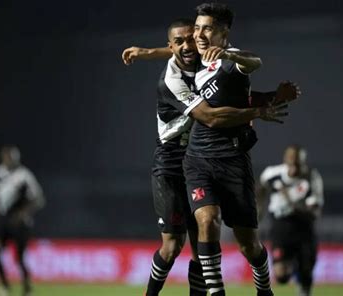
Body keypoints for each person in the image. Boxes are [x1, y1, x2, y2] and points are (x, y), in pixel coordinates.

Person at [122, 18, 296, 296]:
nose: (189, 45)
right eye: (179, 42)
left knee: (202, 241)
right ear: (172, 46)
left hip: (198, 155)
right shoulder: (172, 80)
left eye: (192, 38)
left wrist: (273, 96)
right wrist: (259, 112)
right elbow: (210, 116)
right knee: (172, 246)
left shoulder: (203, 61)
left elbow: (232, 96)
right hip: (171, 159)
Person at [180, 3, 287, 295]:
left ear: (224, 33)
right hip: (198, 159)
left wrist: (228, 54)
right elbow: (172, 51)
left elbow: (255, 62)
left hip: (233, 162)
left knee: (248, 245)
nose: (200, 34)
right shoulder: (189, 62)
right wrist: (144, 53)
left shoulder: (232, 60)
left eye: (208, 28)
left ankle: (264, 287)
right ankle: (217, 291)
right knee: (207, 219)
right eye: (197, 27)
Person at [259, 145, 324, 296]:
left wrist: (291, 202)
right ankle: (294, 265)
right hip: (280, 227)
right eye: (291, 162)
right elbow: (260, 189)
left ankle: (303, 283)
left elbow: (315, 212)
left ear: (303, 163)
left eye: (298, 164)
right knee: (281, 276)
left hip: (303, 226)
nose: (294, 167)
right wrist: (258, 209)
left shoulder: (311, 177)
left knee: (306, 271)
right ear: (285, 161)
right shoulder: (272, 174)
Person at [0, 146, 45, 296]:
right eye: (5, 157)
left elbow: (38, 199)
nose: (7, 160)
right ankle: (4, 286)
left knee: (19, 257)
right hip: (2, 219)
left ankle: (27, 288)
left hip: (19, 222)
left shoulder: (24, 175)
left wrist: (24, 212)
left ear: (16, 158)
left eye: (10, 157)